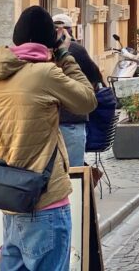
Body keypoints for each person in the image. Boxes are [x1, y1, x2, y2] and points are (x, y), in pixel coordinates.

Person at [0, 5, 97, 270]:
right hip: (45, 201)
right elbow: (87, 99)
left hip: (11, 199)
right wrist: (63, 54)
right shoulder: (45, 74)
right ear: (49, 40)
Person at [53, 13, 103, 167]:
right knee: (74, 171)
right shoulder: (76, 49)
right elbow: (95, 77)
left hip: (51, 121)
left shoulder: (44, 52)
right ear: (69, 30)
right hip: (72, 119)